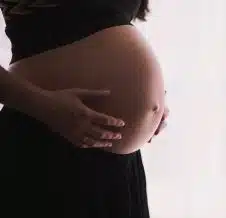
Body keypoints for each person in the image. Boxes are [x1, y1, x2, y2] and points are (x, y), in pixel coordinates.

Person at [0, 0, 169, 217]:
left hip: (119, 165)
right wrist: (44, 106)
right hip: (43, 144)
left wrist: (151, 101)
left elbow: (104, 23)